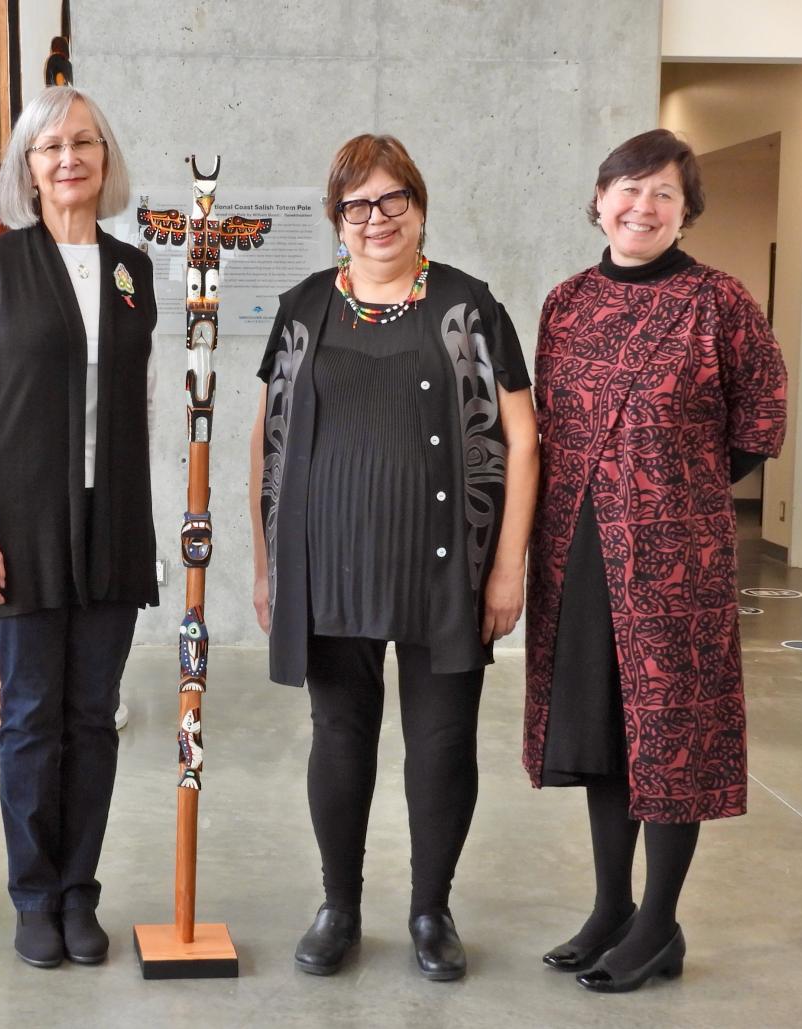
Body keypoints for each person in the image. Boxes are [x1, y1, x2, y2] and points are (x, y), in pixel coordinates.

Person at [248, 134, 538, 980]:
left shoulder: (469, 306)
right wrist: (269, 564)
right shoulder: (304, 305)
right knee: (338, 735)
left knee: (442, 744)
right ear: (336, 219)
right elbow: (265, 440)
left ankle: (430, 910)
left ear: (418, 205)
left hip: (445, 562)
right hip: (327, 560)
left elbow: (523, 440)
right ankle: (339, 904)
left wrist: (509, 563)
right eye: (356, 206)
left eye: (391, 201)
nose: (375, 220)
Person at [523, 129, 788, 993]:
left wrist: (676, 492)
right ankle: (611, 907)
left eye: (664, 194)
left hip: (677, 559)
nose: (643, 206)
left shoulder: (720, 302)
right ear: (600, 198)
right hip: (577, 554)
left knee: (671, 736)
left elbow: (761, 421)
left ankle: (660, 922)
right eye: (629, 188)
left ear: (687, 210)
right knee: (604, 727)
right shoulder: (565, 302)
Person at [0, 86, 157, 969]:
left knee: (92, 717)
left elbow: (140, 401)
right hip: (24, 526)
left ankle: (80, 891)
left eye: (85, 142)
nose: (69, 157)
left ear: (105, 160)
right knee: (32, 717)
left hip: (110, 523)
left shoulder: (134, 268)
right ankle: (34, 894)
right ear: (28, 170)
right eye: (49, 147)